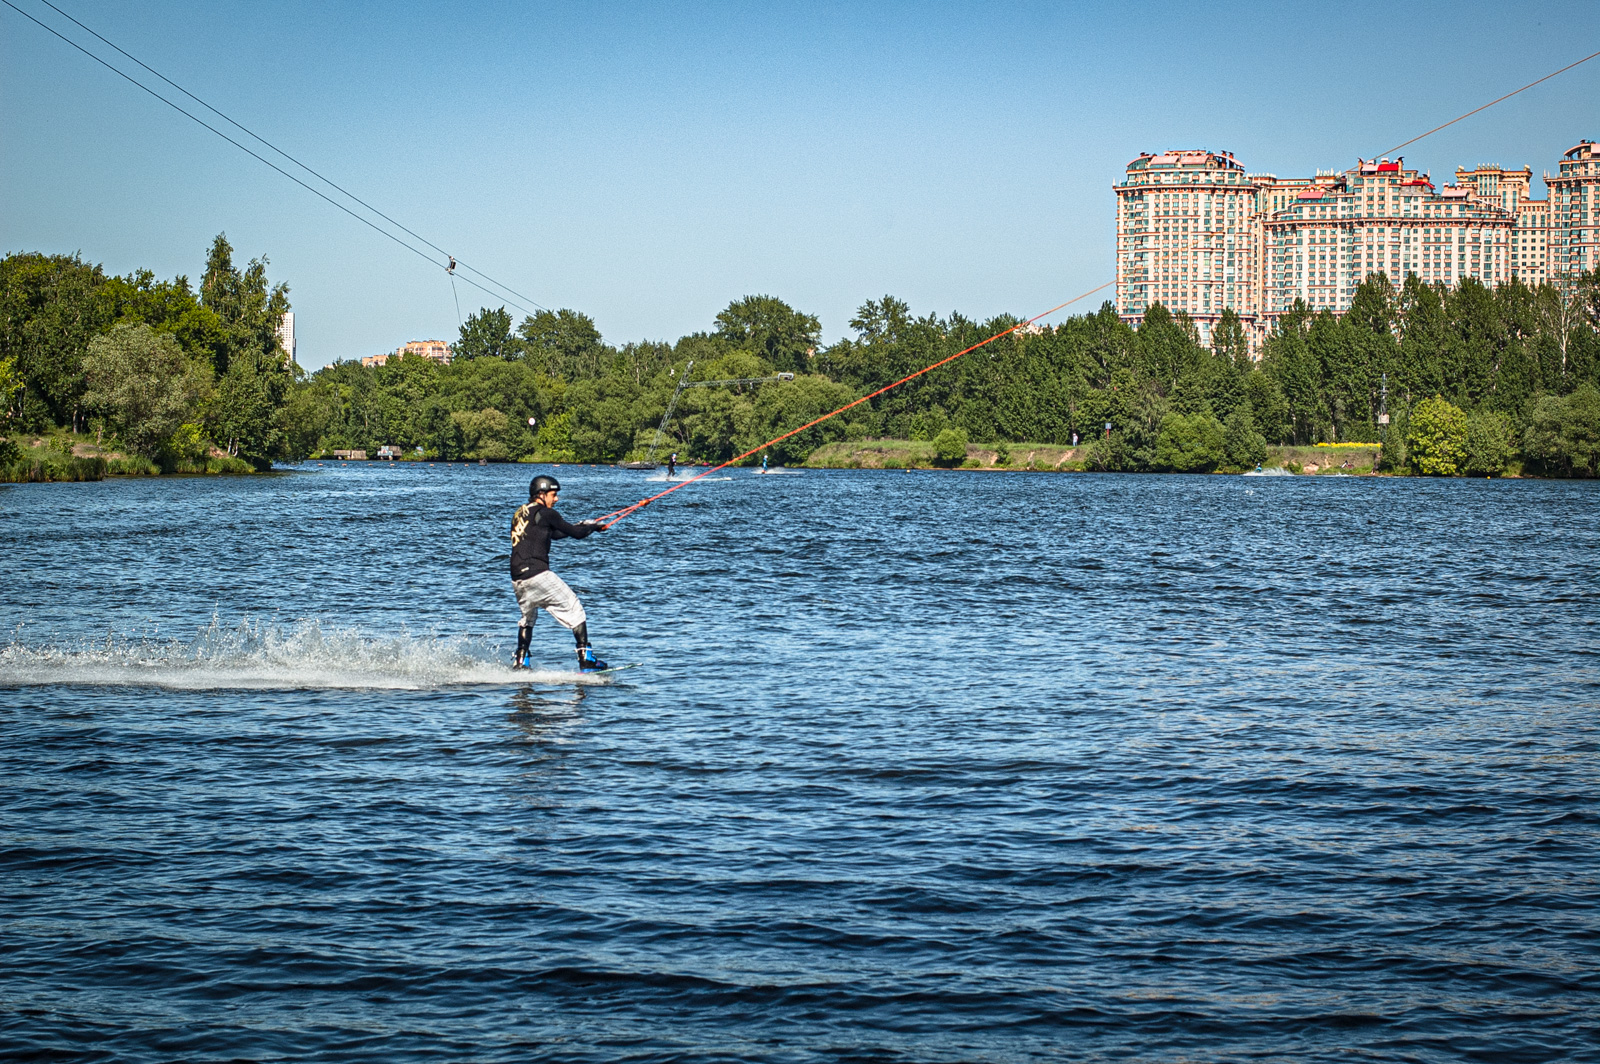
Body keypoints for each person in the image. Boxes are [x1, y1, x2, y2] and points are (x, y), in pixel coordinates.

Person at [510, 474, 612, 671]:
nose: (556, 499)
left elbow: (554, 534)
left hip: (518, 578)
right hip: (537, 574)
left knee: (527, 619)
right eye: (553, 495)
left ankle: (521, 661)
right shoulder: (546, 513)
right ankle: (586, 658)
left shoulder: (520, 513)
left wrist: (583, 526)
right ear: (541, 494)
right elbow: (576, 534)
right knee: (575, 609)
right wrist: (591, 527)